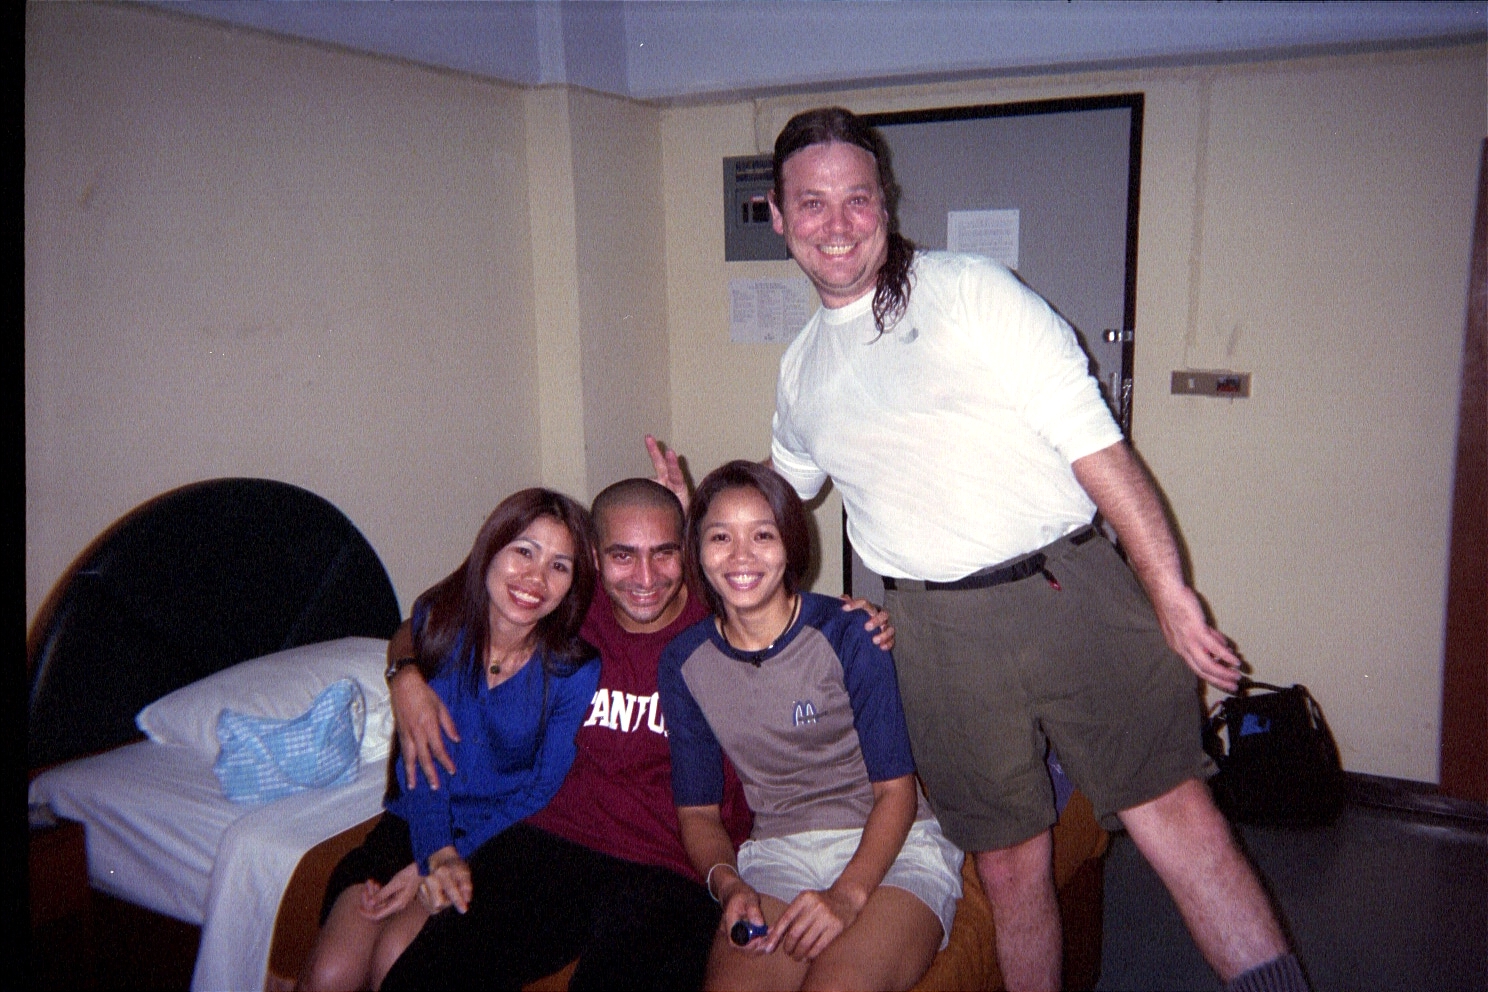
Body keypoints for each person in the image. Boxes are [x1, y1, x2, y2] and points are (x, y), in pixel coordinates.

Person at [758, 106, 1309, 992]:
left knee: (1176, 818)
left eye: (857, 198)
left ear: (885, 204)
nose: (837, 224)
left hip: (1069, 589)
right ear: (781, 217)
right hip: (935, 632)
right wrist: (701, 512)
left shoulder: (969, 291)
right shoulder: (801, 369)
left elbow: (1097, 446)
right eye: (812, 204)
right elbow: (781, 496)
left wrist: (1168, 588)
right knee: (1009, 865)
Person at [376, 460, 895, 991]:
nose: (645, 579)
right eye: (623, 555)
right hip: (552, 841)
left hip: (673, 868)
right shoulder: (572, 606)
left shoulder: (721, 618)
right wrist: (405, 675)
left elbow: (794, 616)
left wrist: (856, 621)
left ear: (686, 552)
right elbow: (431, 619)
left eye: (664, 553)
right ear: (595, 558)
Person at [660, 460, 963, 991]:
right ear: (698, 551)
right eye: (720, 537)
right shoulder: (685, 662)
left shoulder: (850, 633)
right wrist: (729, 885)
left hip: (893, 847)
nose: (741, 556)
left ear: (790, 543)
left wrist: (846, 896)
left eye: (762, 535)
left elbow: (896, 793)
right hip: (778, 854)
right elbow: (699, 813)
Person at [297, 488, 601, 991]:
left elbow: (540, 791)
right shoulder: (438, 630)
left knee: (396, 961)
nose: (536, 578)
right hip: (414, 821)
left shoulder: (573, 669)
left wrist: (442, 861)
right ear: (491, 548)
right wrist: (432, 851)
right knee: (331, 973)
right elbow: (419, 763)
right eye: (524, 551)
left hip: (493, 841)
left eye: (559, 566)